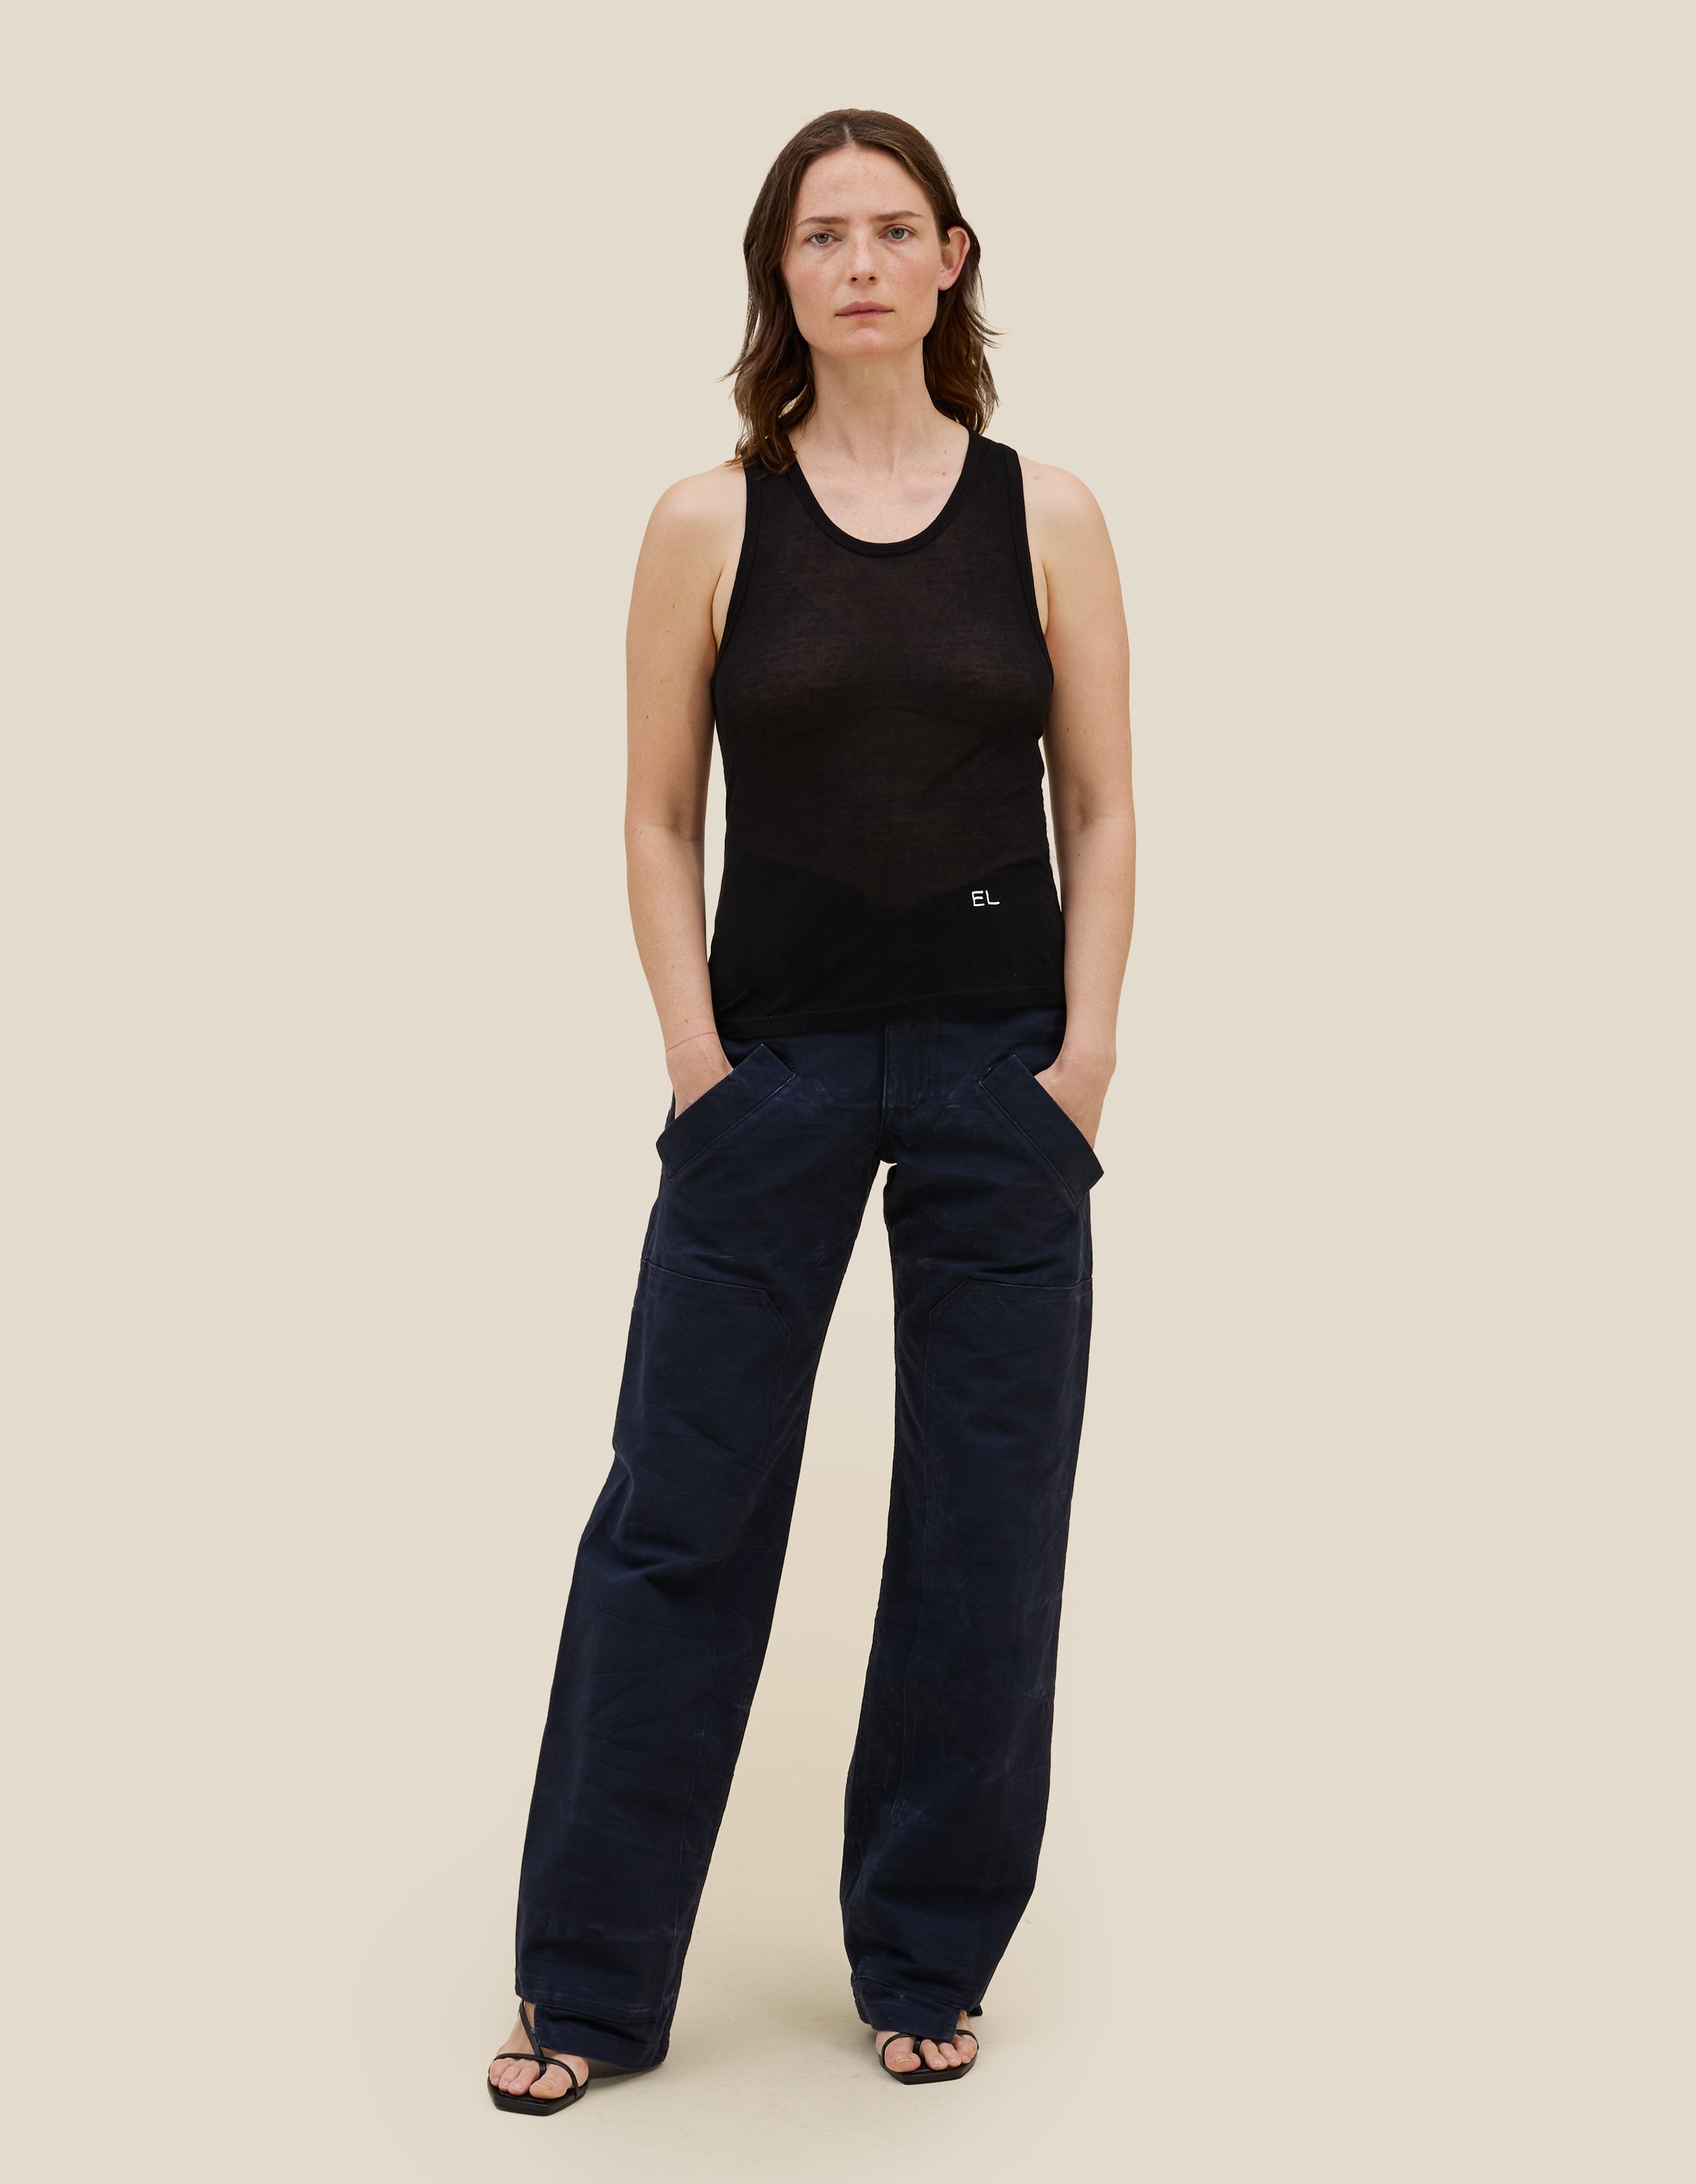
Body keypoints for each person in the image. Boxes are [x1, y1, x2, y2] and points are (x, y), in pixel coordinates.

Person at [487, 105, 1135, 2113]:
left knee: (983, 1529)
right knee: (677, 1518)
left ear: (951, 261)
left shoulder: (1046, 514)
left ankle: (926, 1957)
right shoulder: (708, 520)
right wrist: (696, 1061)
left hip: (997, 1073)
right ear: (781, 272)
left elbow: (1105, 806)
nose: (859, 262)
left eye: (892, 229)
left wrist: (1085, 1058)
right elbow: (655, 814)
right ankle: (588, 1986)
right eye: (820, 233)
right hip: (767, 1076)